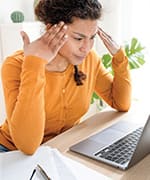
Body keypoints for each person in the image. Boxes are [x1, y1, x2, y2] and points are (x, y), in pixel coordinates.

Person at [0, 0, 131, 154]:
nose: (86, 47)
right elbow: (28, 146)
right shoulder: (16, 65)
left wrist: (119, 57)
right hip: (11, 152)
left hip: (60, 149)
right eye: (78, 38)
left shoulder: (90, 59)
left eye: (92, 37)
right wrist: (34, 65)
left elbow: (121, 103)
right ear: (51, 29)